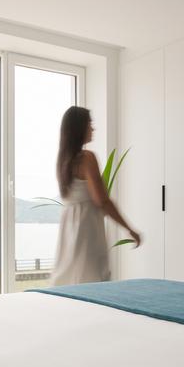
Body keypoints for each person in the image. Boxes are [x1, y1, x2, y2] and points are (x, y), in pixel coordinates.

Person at [50, 106, 141, 286]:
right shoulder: (87, 158)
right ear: (79, 128)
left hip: (69, 228)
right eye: (89, 124)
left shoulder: (63, 161)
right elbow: (102, 200)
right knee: (89, 279)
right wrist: (129, 228)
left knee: (70, 280)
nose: (93, 128)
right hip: (86, 228)